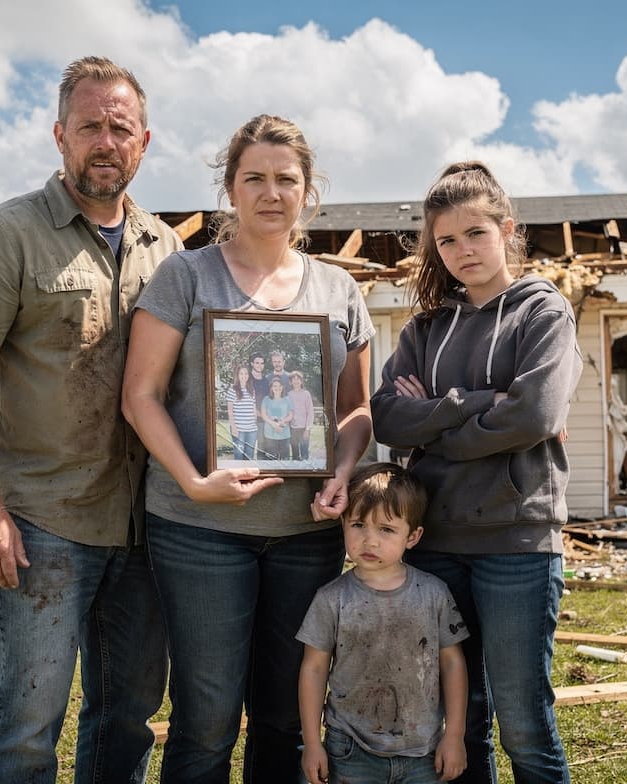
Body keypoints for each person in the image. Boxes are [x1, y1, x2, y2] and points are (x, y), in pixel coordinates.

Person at [0, 56, 180, 784]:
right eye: (89, 126)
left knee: (128, 719)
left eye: (120, 128)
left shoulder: (167, 249)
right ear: (59, 135)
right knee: (25, 724)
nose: (106, 142)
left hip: (144, 524)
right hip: (43, 521)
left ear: (144, 142)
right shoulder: (7, 233)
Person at [121, 113, 374, 783]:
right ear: (229, 188)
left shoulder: (339, 289)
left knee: (287, 716)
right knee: (206, 719)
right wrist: (193, 479)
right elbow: (140, 395)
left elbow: (355, 410)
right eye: (254, 178)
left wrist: (343, 472)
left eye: (286, 179)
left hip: (305, 534)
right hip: (198, 528)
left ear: (307, 192)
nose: (271, 192)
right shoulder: (186, 276)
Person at [370, 161, 582, 784]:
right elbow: (388, 417)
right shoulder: (427, 327)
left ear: (506, 230)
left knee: (523, 722)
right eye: (446, 241)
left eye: (475, 234)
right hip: (436, 543)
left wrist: (434, 428)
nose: (462, 250)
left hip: (516, 542)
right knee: (458, 722)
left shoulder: (542, 312)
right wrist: (477, 403)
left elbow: (535, 414)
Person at [297, 462, 468, 784]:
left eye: (386, 529)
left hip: (423, 750)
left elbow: (452, 663)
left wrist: (455, 735)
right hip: (350, 749)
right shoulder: (330, 599)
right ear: (343, 524)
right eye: (358, 525)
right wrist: (312, 743)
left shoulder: (434, 593)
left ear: (413, 536)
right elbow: (314, 669)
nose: (369, 541)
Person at [227, 363, 260, 460]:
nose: (244, 376)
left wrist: (255, 421)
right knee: (239, 455)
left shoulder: (251, 390)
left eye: (246, 373)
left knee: (249, 456)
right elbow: (230, 411)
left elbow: (253, 407)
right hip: (239, 429)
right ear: (237, 375)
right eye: (241, 373)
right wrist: (233, 427)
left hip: (252, 430)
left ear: (248, 375)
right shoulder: (232, 389)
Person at [259, 375, 294, 462]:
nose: (277, 388)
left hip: (284, 434)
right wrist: (274, 425)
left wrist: (282, 422)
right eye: (274, 386)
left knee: (285, 461)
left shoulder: (287, 399)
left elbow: (290, 415)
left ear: (282, 387)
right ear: (271, 388)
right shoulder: (266, 399)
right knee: (271, 461)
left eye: (279, 386)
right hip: (270, 435)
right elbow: (264, 415)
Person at [287, 369, 315, 461]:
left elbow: (310, 412)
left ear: (301, 381)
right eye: (294, 379)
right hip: (292, 428)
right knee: (295, 452)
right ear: (291, 382)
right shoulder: (288, 395)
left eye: (298, 379)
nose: (296, 381)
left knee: (304, 452)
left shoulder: (306, 394)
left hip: (304, 428)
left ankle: (305, 467)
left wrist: (307, 429)